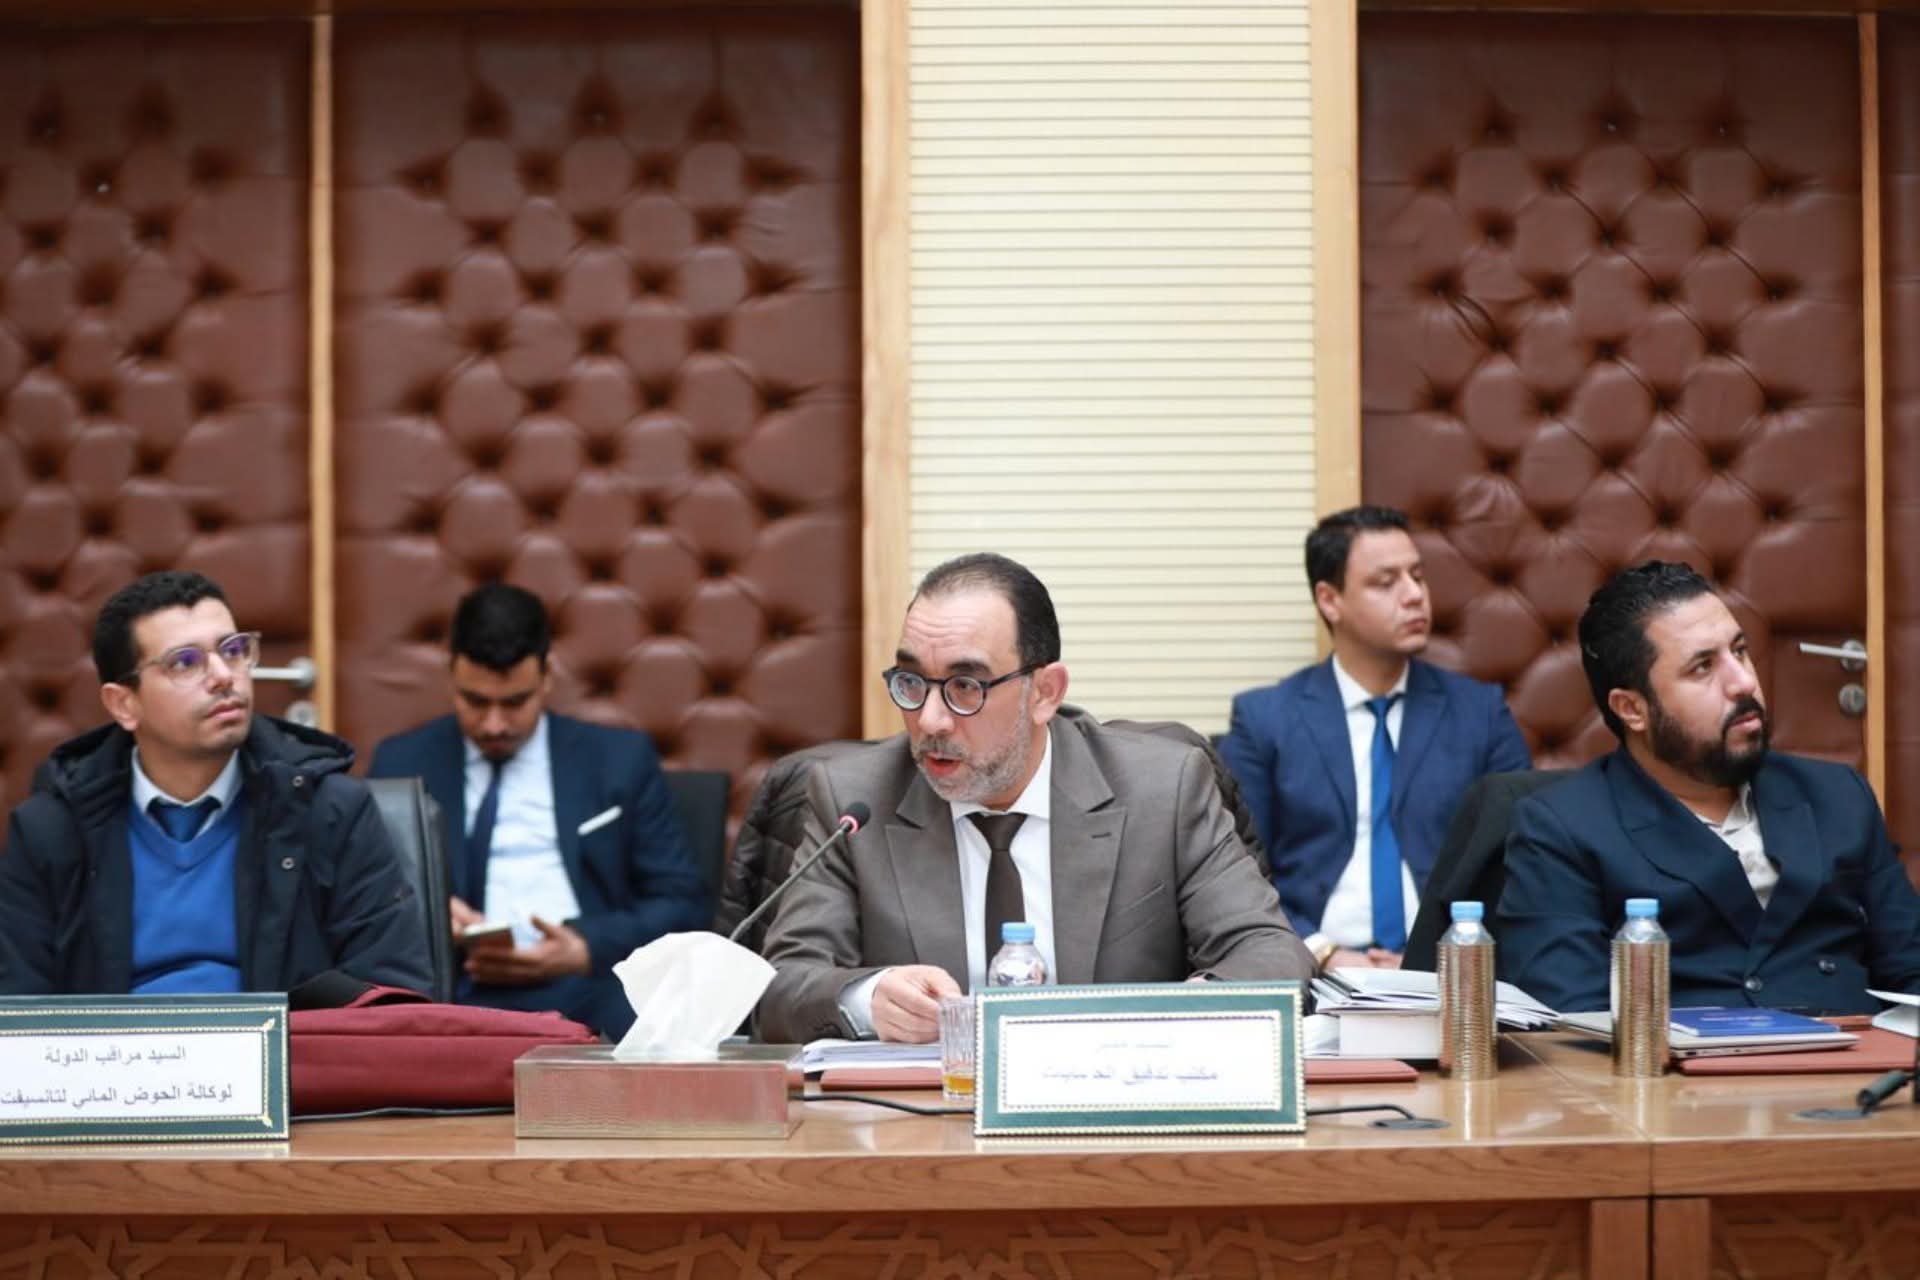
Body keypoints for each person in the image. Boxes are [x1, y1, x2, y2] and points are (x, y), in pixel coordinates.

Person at [755, 552, 1313, 1045]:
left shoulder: (1162, 788)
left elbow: (1270, 952)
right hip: (923, 1115)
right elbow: (779, 986)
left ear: (1044, 692)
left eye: (965, 686)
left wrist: (1181, 1016)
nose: (930, 719)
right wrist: (866, 998)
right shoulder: (854, 800)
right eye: (912, 682)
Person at [1497, 561, 1920, 1014]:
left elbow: (1911, 969)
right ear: (1632, 709)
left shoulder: (1837, 796)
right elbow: (1571, 1019)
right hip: (1675, 1058)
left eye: (1740, 651)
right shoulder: (1562, 829)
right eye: (1703, 667)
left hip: (1856, 1053)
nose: (1743, 681)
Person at [0, 571, 431, 998]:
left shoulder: (330, 811)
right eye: (185, 662)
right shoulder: (52, 832)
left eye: (234, 650)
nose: (224, 675)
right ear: (123, 704)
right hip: (111, 1046)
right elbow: (18, 1011)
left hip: (285, 1044)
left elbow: (389, 996)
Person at [370, 582, 708, 1035]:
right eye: (475, 701)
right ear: (451, 675)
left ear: (547, 676)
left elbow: (682, 903)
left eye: (514, 703)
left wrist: (585, 948)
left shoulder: (619, 761)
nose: (494, 725)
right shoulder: (401, 763)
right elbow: (366, 900)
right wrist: (429, 913)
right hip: (453, 990)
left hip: (587, 985)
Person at [1220, 505, 1530, 971]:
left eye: (1417, 576)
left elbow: (1518, 859)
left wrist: (1434, 957)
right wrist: (1322, 952)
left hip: (1449, 972)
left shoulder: (1480, 713)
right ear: (1330, 600)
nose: (1414, 595)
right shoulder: (1265, 720)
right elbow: (1237, 870)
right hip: (1315, 970)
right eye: (1386, 583)